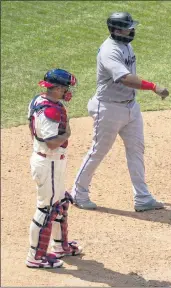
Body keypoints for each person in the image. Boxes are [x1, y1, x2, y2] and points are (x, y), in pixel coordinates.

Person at [71, 12, 169, 212]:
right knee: (98, 151)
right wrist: (153, 87)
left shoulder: (125, 44)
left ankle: (142, 198)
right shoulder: (109, 51)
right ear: (116, 30)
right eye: (128, 27)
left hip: (130, 106)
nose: (132, 30)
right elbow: (124, 78)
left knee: (136, 150)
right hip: (109, 108)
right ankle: (78, 193)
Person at [26, 69, 83, 268]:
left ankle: (60, 246)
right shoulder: (50, 111)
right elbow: (51, 142)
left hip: (51, 161)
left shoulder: (38, 100)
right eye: (65, 87)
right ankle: (36, 256)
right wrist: (67, 134)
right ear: (57, 88)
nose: (68, 91)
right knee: (46, 208)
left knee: (60, 202)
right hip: (48, 160)